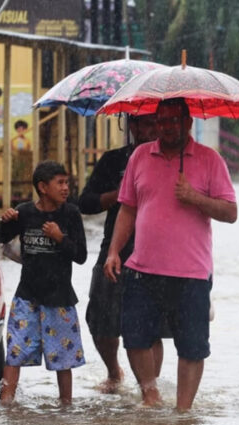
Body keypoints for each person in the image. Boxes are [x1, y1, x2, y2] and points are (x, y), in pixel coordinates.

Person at [103, 98, 237, 411]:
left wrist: (194, 197)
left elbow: (230, 212)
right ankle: (150, 396)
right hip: (142, 267)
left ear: (189, 123)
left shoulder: (209, 160)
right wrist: (113, 251)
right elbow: (128, 208)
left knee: (192, 347)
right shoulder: (140, 156)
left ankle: (183, 412)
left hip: (191, 272)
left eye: (175, 120)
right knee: (134, 336)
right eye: (162, 120)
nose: (167, 126)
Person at [79, 113, 164, 393]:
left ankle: (148, 386)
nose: (146, 129)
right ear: (130, 126)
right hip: (115, 247)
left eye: (152, 123)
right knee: (100, 319)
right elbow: (86, 203)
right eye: (139, 123)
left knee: (150, 325)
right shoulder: (114, 160)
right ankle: (114, 372)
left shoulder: (171, 160)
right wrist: (121, 193)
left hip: (157, 249)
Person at [0, 161, 87, 404]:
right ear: (43, 187)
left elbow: (80, 256)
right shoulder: (25, 212)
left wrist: (60, 238)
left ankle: (65, 406)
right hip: (27, 296)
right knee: (15, 353)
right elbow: (4, 238)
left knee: (63, 359)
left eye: (67, 182)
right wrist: (5, 220)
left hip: (60, 298)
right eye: (60, 183)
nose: (66, 188)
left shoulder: (70, 214)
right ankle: (6, 404)